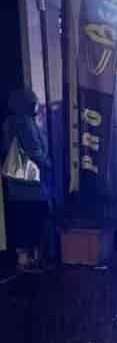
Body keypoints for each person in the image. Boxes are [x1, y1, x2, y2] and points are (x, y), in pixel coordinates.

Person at [1, 88, 51, 272]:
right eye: (33, 102)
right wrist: (46, 163)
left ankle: (23, 258)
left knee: (22, 217)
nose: (35, 105)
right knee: (35, 216)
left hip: (16, 182)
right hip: (30, 182)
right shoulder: (24, 122)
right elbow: (33, 149)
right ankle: (34, 258)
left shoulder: (8, 122)